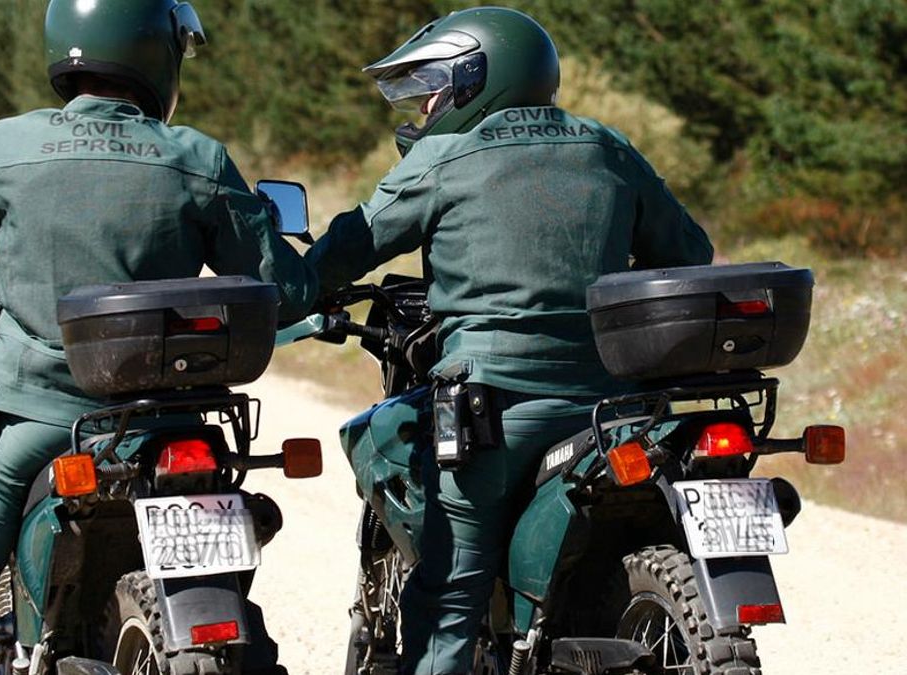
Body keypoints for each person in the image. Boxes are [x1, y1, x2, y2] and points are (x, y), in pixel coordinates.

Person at [0, 1, 315, 672]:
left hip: (34, 420)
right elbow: (287, 290)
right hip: (167, 424)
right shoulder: (199, 159)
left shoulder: (5, 147)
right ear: (157, 53)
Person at [305, 7, 713, 674]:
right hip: (613, 407)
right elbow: (690, 254)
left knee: (450, 592)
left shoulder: (446, 158)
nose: (426, 106)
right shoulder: (607, 147)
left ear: (476, 80)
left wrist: (295, 288)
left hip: (494, 407)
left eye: (434, 88)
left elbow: (351, 246)